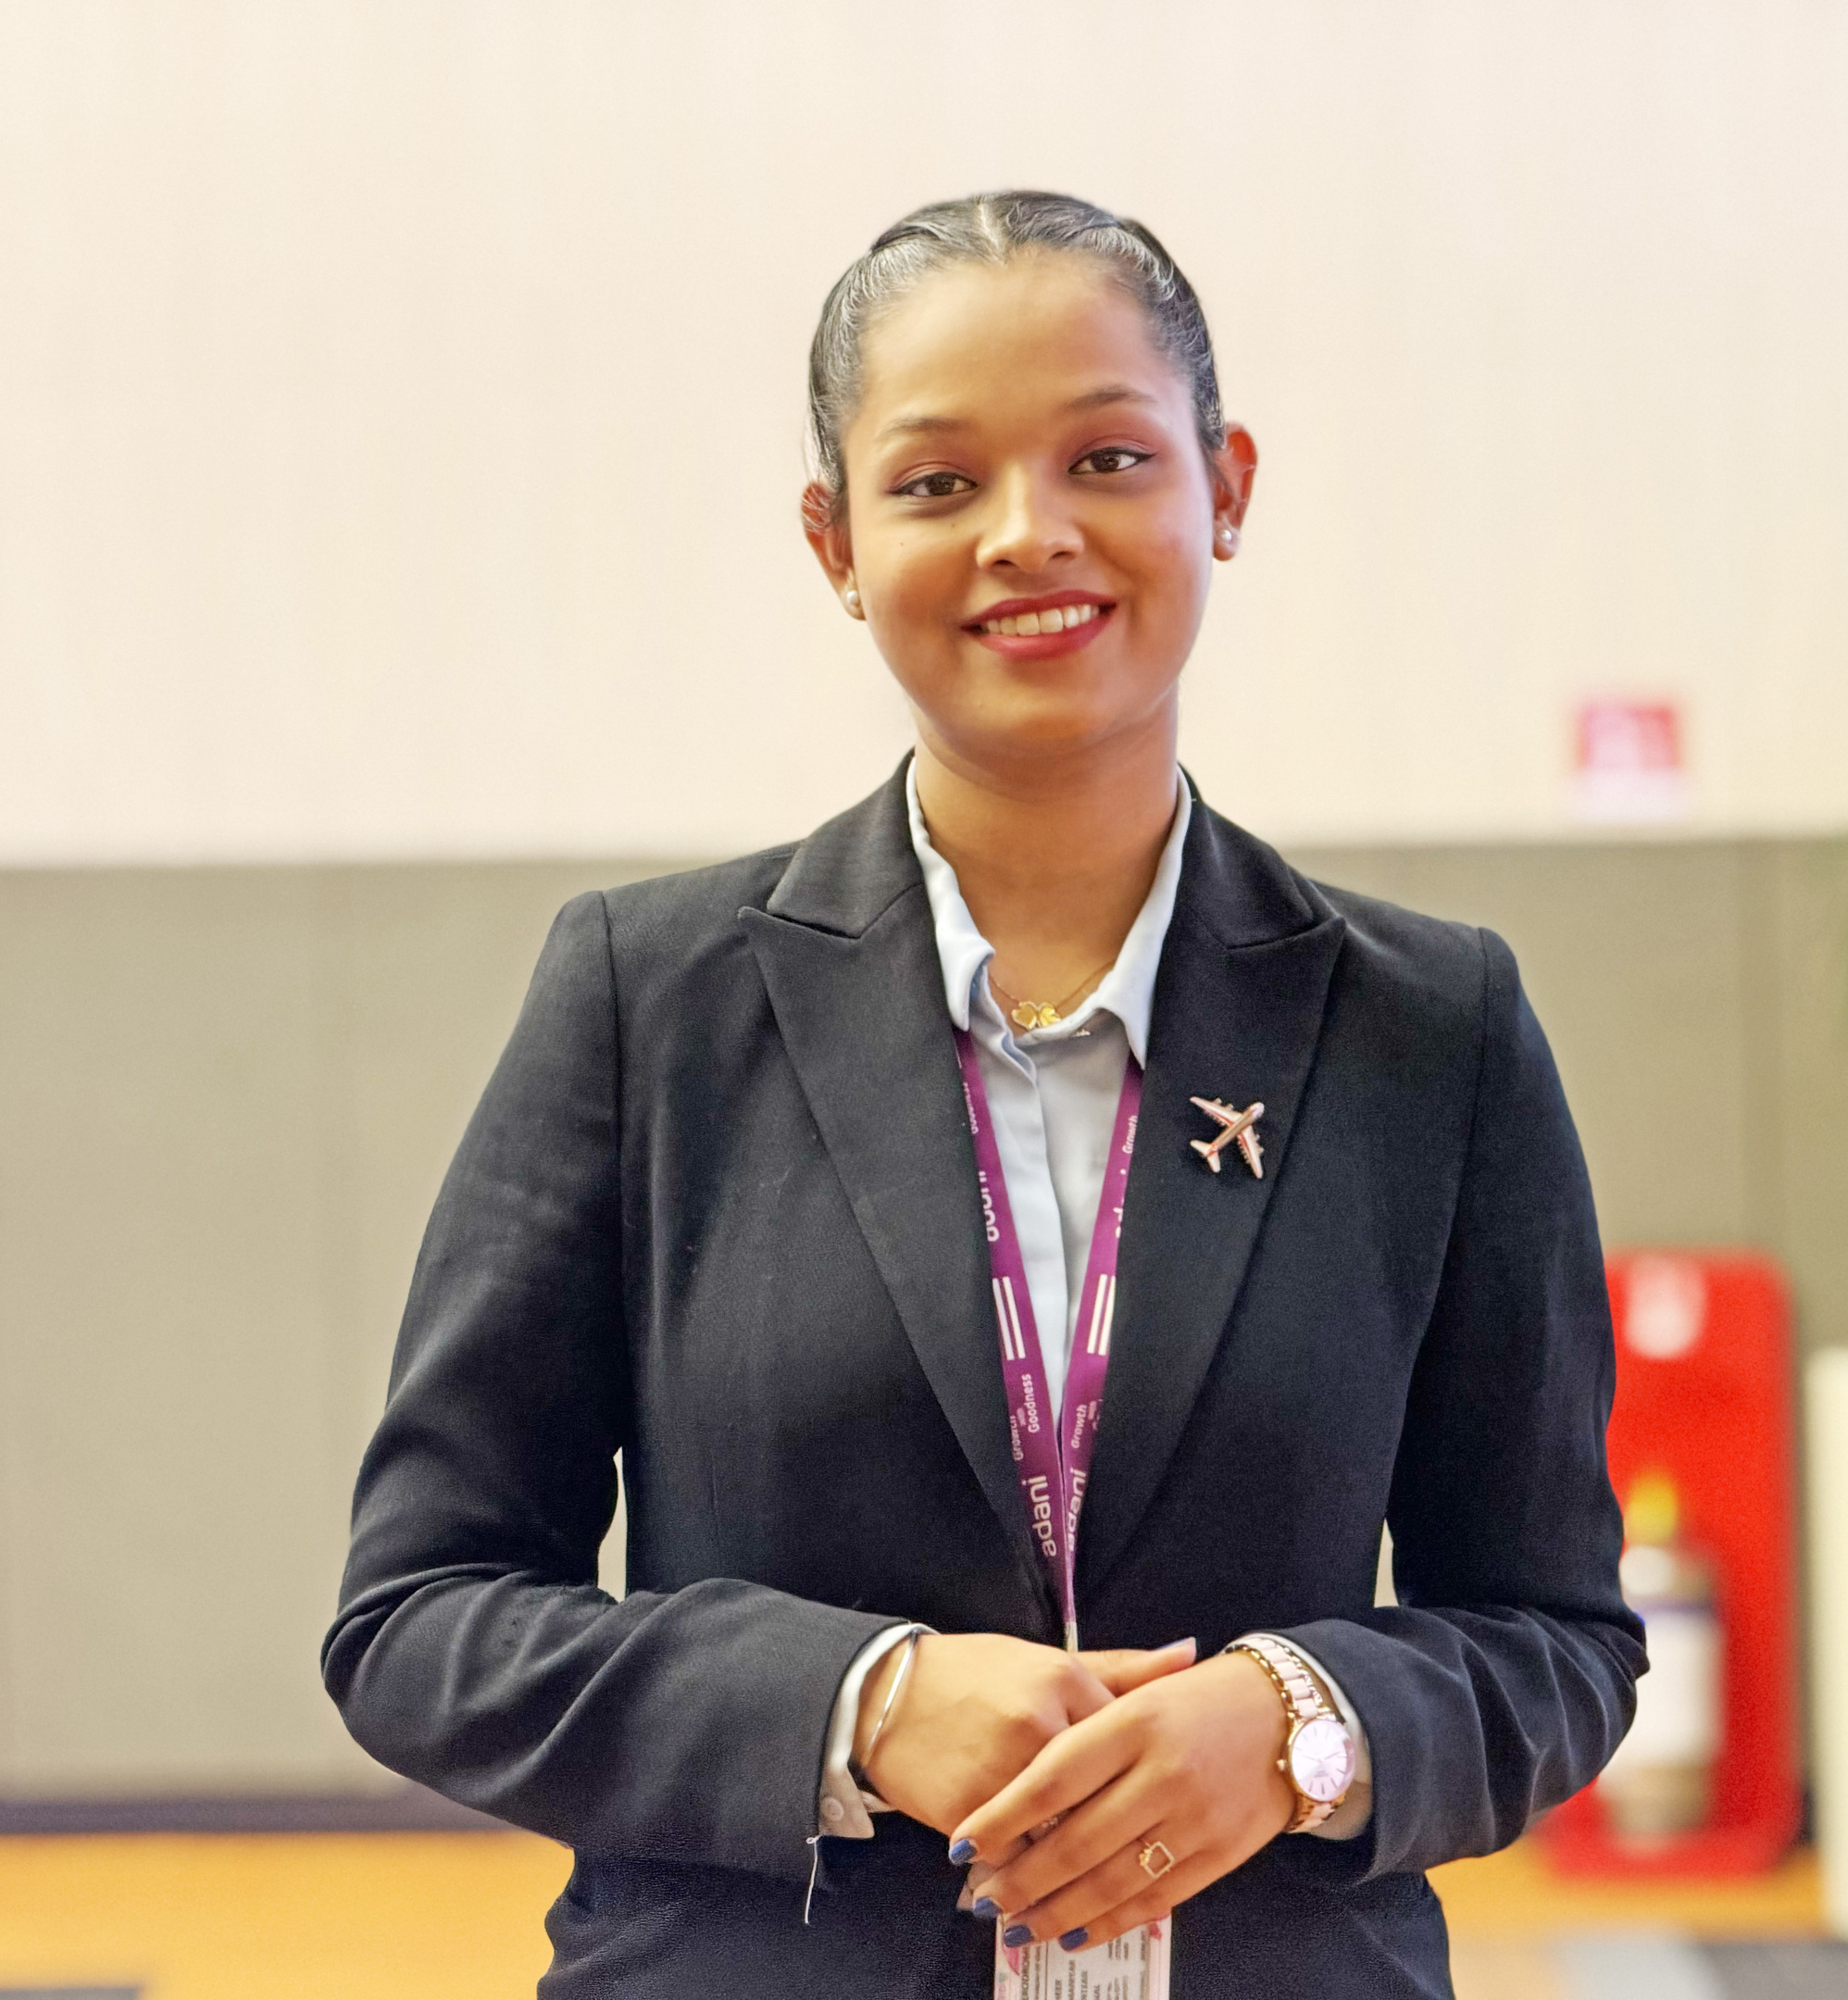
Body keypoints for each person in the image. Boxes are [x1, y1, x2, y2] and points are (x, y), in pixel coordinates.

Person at [324, 191, 1640, 1998]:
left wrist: (1300, 1723)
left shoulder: (1434, 1029)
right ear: (835, 540)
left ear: (1225, 486)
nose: (1031, 535)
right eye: (938, 483)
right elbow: (422, 1620)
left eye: (1106, 456)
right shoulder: (652, 1002)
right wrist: (859, 1708)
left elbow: (1558, 1638)